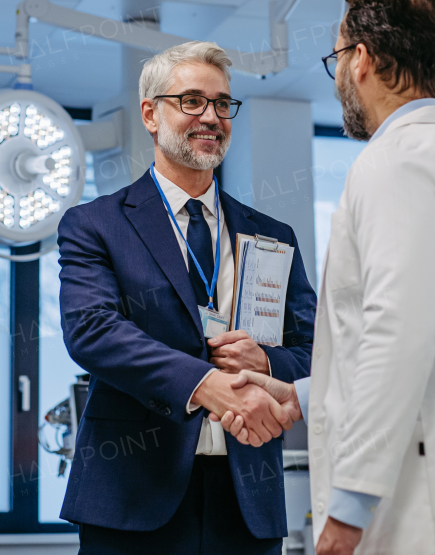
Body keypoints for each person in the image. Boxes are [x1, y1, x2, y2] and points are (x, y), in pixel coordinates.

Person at [218, 0, 435, 555]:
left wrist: (348, 511)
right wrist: (302, 395)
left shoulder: (394, 162)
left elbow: (398, 336)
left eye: (336, 58)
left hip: (422, 511)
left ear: (362, 61)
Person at [57, 40, 318, 555]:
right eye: (192, 101)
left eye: (223, 103)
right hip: (133, 495)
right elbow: (93, 331)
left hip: (247, 501)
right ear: (151, 114)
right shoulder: (96, 225)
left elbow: (316, 352)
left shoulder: (272, 235)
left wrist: (266, 358)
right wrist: (206, 385)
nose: (212, 117)